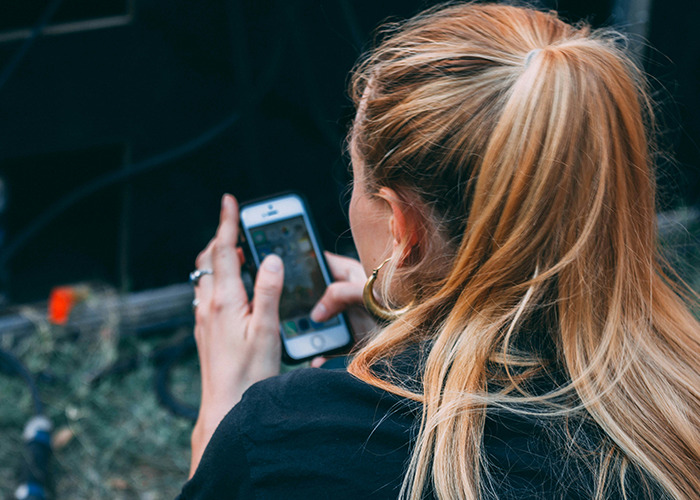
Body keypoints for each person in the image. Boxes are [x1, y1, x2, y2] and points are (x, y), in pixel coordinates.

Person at [177, 3, 700, 499]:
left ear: (403, 227)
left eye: (355, 181)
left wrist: (224, 421)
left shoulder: (285, 438)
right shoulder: (682, 402)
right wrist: (404, 339)